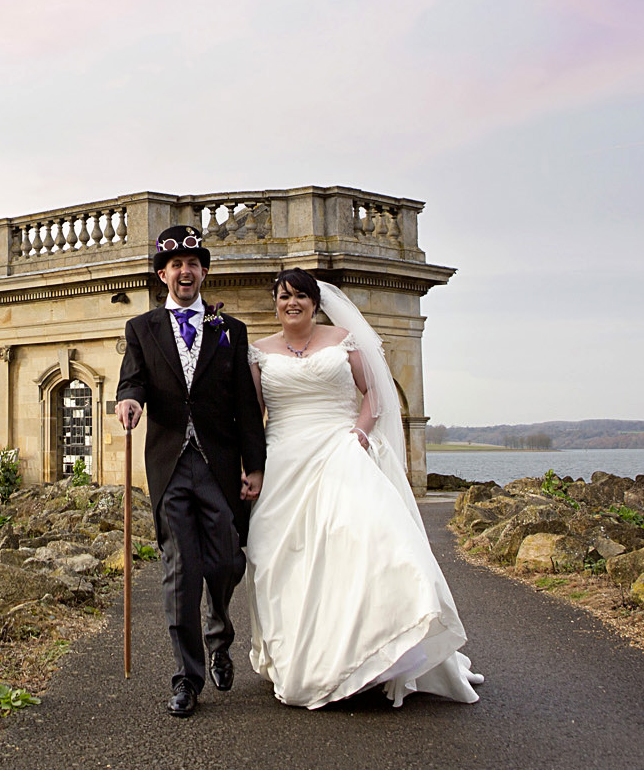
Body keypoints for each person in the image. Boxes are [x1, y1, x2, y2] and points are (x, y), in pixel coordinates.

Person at [244, 269, 484, 709]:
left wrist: (359, 431)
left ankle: (378, 652)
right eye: (283, 296)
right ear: (274, 304)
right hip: (283, 462)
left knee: (368, 543)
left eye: (300, 296)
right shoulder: (258, 352)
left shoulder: (344, 339)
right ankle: (304, 656)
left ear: (315, 302)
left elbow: (375, 393)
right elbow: (254, 415)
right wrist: (251, 467)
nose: (291, 303)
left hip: (340, 450)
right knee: (282, 559)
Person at [114, 224, 267, 718]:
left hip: (220, 466)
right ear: (163, 275)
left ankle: (219, 637)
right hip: (169, 464)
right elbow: (132, 380)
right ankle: (187, 676)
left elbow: (247, 407)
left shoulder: (231, 331)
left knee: (225, 562)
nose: (186, 271)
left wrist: (255, 466)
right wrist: (129, 401)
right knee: (181, 569)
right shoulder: (141, 329)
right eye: (176, 265)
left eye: (193, 263)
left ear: (204, 272)